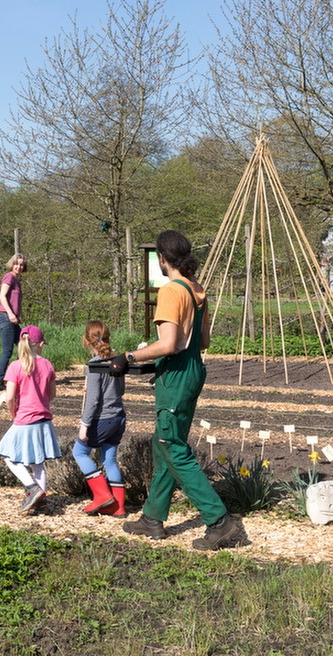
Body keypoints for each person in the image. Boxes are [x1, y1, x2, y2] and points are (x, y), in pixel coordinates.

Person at [114, 230, 245, 550]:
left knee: (172, 447)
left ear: (161, 258)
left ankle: (220, 522)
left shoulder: (172, 290)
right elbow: (202, 342)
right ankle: (153, 517)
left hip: (175, 376)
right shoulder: (197, 289)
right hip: (193, 369)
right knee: (165, 445)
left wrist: (128, 357)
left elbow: (169, 344)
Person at [0, 325, 61, 512]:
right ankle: (43, 503)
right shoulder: (47, 364)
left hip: (24, 418)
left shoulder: (15, 366)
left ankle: (32, 489)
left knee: (7, 455)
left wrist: (13, 412)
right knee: (38, 462)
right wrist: (41, 403)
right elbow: (52, 393)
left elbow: (9, 397)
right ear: (39, 344)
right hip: (44, 420)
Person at [72, 320, 127, 517]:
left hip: (102, 419)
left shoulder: (94, 365)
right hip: (119, 417)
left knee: (79, 452)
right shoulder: (118, 360)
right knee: (109, 460)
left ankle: (102, 495)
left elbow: (94, 400)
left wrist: (84, 424)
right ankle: (118, 507)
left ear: (86, 341)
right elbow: (120, 390)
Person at [0, 254, 26, 392]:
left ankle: (26, 375)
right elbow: (2, 296)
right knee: (8, 351)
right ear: (11, 264)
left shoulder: (16, 279)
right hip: (6, 318)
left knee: (25, 346)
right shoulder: (9, 277)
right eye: (16, 264)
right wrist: (11, 314)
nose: (19, 267)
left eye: (22, 265)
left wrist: (16, 316)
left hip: (12, 319)